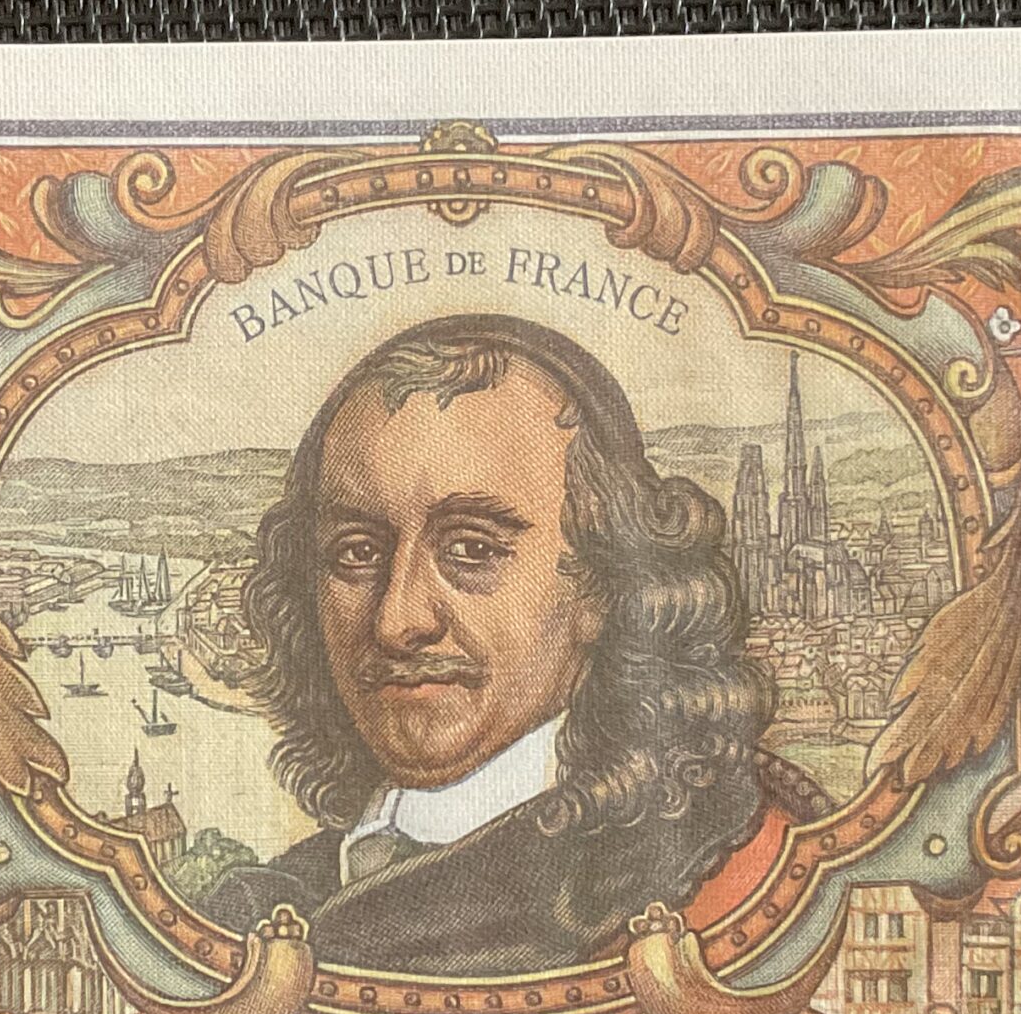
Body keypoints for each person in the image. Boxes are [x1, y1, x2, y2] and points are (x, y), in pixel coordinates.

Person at [202, 313, 787, 976]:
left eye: (472, 549)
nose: (397, 621)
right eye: (357, 553)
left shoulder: (712, 873)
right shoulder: (282, 896)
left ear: (604, 584)